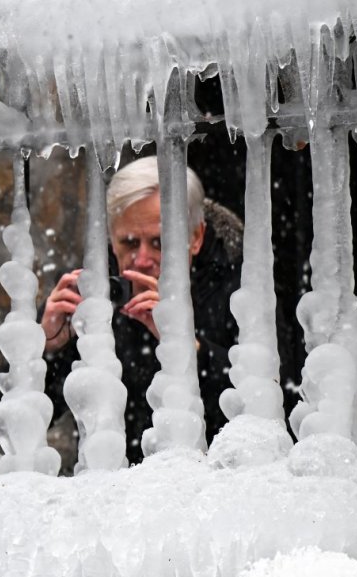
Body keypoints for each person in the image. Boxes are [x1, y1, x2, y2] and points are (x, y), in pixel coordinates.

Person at [41, 156, 243, 465]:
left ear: (196, 238)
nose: (142, 259)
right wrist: (47, 348)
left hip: (214, 490)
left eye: (160, 243)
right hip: (114, 496)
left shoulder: (238, 288)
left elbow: (267, 405)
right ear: (111, 239)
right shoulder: (95, 292)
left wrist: (188, 348)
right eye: (129, 242)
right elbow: (21, 423)